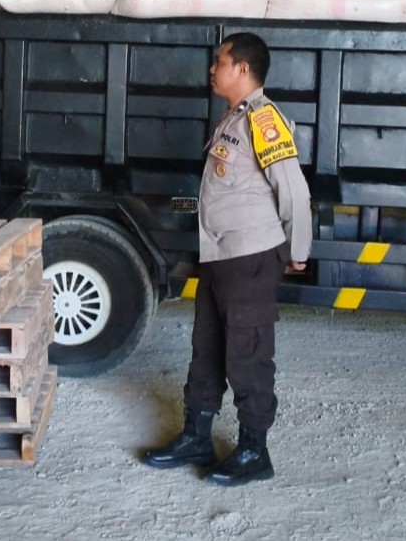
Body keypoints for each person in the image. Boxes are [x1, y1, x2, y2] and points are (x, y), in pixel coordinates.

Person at [141, 32, 311, 486]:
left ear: (242, 69)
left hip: (249, 258)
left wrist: (297, 249)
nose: (212, 69)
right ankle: (196, 436)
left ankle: (255, 451)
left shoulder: (264, 119)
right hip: (219, 255)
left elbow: (293, 190)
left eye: (220, 61)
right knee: (208, 348)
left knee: (247, 352)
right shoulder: (233, 118)